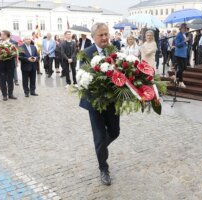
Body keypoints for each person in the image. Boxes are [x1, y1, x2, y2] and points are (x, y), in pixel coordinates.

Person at [79, 22, 120, 186]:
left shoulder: (113, 50)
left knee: (115, 132)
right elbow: (83, 76)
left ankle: (100, 148)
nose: (104, 38)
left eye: (106, 34)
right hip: (94, 101)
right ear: (93, 37)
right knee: (100, 137)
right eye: (101, 35)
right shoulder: (86, 53)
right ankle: (104, 168)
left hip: (111, 101)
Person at [0, 30, 17, 101]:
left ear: (6, 35)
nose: (1, 36)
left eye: (2, 34)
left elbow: (16, 52)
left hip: (10, 63)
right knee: (2, 79)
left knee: (10, 79)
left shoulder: (13, 42)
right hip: (2, 64)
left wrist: (10, 54)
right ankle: (4, 95)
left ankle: (10, 94)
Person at [174, 23, 188, 88]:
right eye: (184, 28)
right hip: (179, 54)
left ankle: (175, 76)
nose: (185, 29)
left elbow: (185, 43)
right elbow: (177, 44)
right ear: (181, 28)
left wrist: (187, 41)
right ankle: (180, 81)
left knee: (184, 67)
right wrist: (184, 41)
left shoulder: (184, 34)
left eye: (186, 28)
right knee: (181, 67)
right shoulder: (178, 35)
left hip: (183, 54)